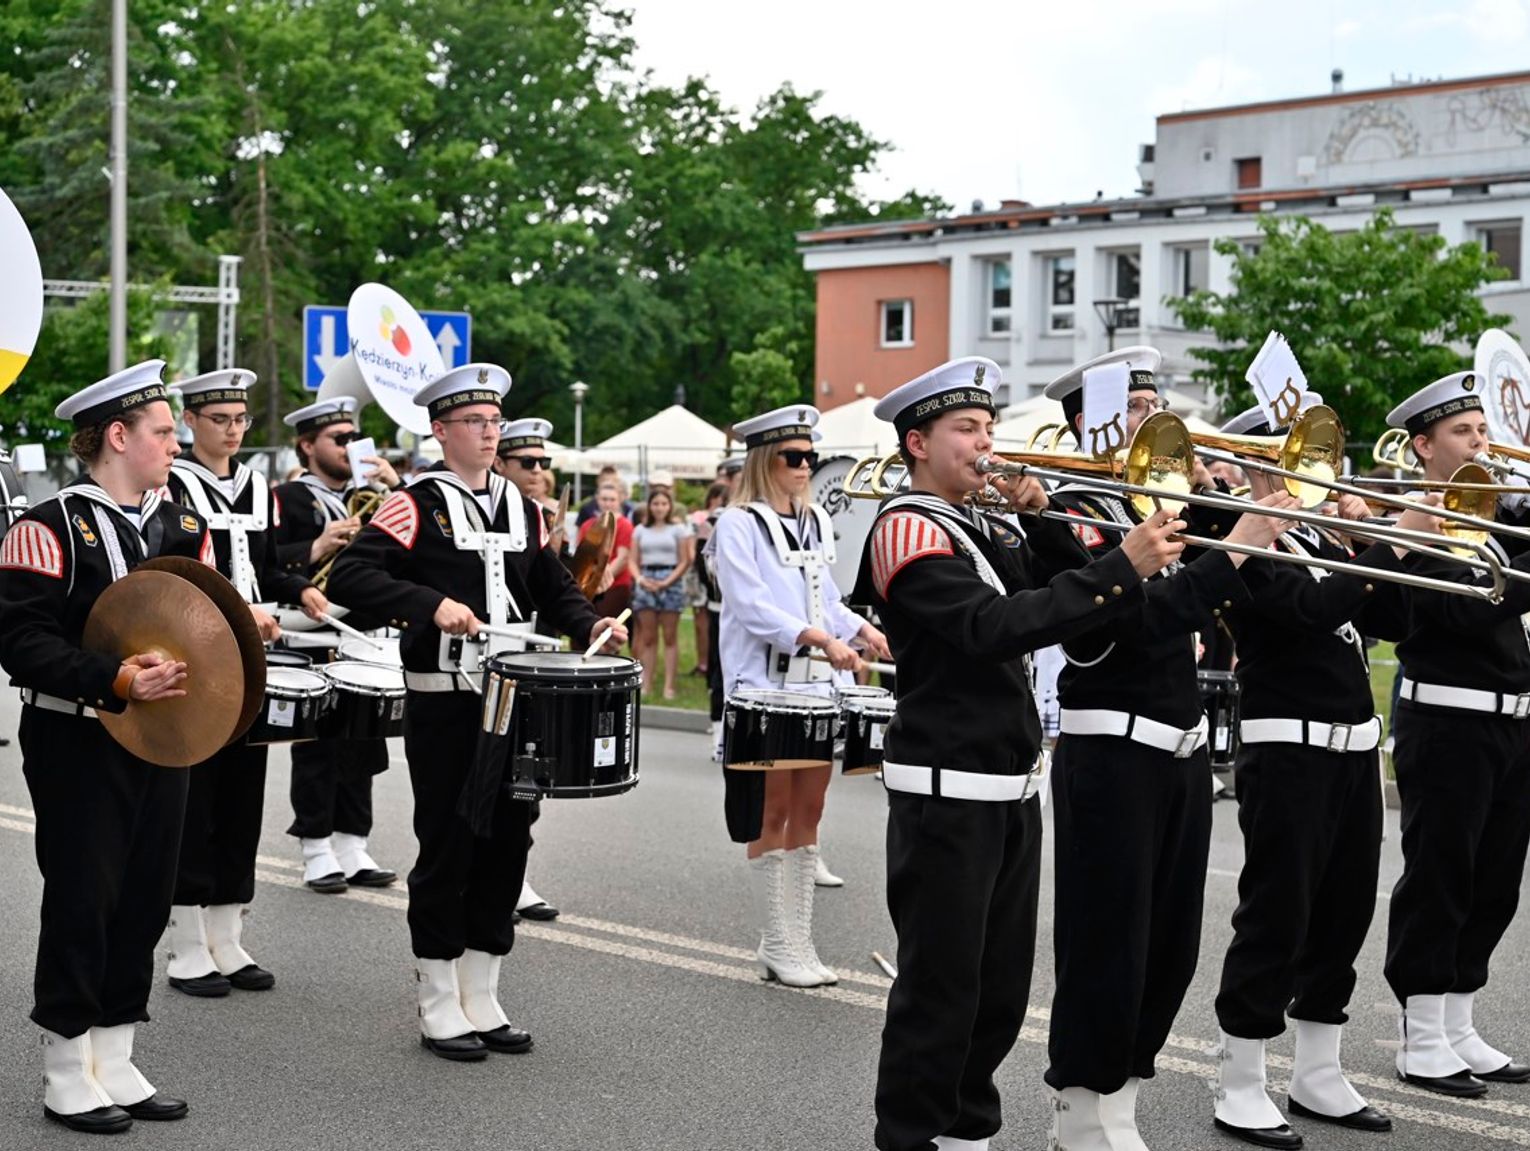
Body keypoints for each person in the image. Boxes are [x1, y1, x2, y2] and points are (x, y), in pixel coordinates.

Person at [856, 356, 1185, 1151]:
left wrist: (1042, 517)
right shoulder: (906, 527)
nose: (985, 442)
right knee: (940, 988)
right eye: (965, 429)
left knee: (998, 990)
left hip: (1006, 780)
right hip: (946, 785)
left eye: (988, 426)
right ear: (916, 442)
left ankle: (968, 1133)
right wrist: (1122, 563)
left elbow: (1073, 607)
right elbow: (993, 629)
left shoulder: (986, 522)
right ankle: (910, 1135)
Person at [327, 363, 627, 1062]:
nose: (490, 433)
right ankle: (437, 995)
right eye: (475, 422)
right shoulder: (414, 502)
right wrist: (430, 604)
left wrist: (590, 626)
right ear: (440, 431)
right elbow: (352, 575)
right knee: (450, 843)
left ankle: (482, 987)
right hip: (446, 703)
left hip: (516, 699)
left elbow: (552, 587)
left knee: (508, 841)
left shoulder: (523, 508)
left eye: (495, 421)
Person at [1041, 346, 1294, 1151]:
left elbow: (1249, 588)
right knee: (1108, 940)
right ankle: (1083, 1111)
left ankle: (1124, 1100)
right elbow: (1138, 621)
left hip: (1177, 751)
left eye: (1157, 400)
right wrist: (1244, 539)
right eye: (1135, 402)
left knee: (1169, 943)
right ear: (1091, 422)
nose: (1157, 418)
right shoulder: (1068, 511)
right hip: (1110, 751)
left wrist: (1263, 509)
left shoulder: (1171, 500)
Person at [0, 360, 213, 1132]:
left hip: (164, 738)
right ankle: (65, 1066)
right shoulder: (47, 525)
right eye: (163, 431)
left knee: (146, 897)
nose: (176, 442)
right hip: (77, 735)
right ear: (117, 435)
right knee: (83, 898)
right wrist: (115, 677)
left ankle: (116, 1055)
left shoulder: (183, 524)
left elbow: (202, 627)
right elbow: (19, 641)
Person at [1207, 401, 1418, 1146]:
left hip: (1355, 744)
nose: (1308, 469)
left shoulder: (1317, 535)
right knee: (1276, 911)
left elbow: (1391, 616)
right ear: (1257, 463)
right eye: (1287, 454)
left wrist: (1369, 537)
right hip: (1287, 746)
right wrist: (1369, 549)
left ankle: (1318, 1068)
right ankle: (1241, 1074)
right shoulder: (1245, 539)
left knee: (1343, 911)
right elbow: (1309, 609)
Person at [1380, 370, 1530, 1096]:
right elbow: (1470, 609)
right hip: (1446, 719)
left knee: (1495, 879)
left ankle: (1462, 1019)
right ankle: (1422, 1033)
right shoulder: (1414, 520)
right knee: (1441, 877)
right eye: (1465, 432)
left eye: (1481, 428)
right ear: (1423, 446)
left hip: (1511, 720)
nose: (1482, 441)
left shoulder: (1497, 507)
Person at [708, 403, 889, 990]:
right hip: (765, 686)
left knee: (811, 810)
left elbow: (826, 598)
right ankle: (779, 939)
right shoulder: (737, 524)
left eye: (810, 457)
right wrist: (815, 637)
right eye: (794, 458)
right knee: (772, 810)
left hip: (816, 687)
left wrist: (860, 630)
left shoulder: (811, 521)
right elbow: (750, 603)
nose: (805, 467)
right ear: (765, 461)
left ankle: (794, 936)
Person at [160, 370, 327, 998]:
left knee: (241, 795)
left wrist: (298, 587)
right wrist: (236, 606)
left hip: (248, 657)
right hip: (193, 654)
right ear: (191, 421)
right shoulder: (172, 482)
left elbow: (265, 568)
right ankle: (185, 944)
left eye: (240, 420)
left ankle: (228, 936)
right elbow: (173, 570)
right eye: (219, 420)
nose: (232, 431)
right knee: (194, 796)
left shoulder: (261, 487)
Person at [272, 397, 400, 894]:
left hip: (363, 633)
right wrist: (318, 547)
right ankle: (315, 847)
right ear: (308, 446)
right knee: (318, 745)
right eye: (339, 439)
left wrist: (398, 488)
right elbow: (265, 561)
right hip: (312, 633)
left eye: (354, 437)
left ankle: (353, 842)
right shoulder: (285, 498)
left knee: (364, 740)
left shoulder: (373, 496)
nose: (351, 446)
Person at [492, 416, 565, 924]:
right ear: (501, 463)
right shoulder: (499, 514)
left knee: (528, 776)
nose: (538, 471)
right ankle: (495, 880)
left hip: (536, 661)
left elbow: (558, 592)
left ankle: (516, 875)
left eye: (544, 463)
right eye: (527, 463)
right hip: (489, 664)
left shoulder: (542, 517)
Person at [630, 488, 694, 699]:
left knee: (669, 636)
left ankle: (669, 685)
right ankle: (646, 683)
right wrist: (640, 579)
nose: (659, 508)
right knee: (647, 637)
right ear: (649, 506)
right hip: (646, 578)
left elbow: (685, 560)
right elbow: (633, 560)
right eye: (655, 503)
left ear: (670, 506)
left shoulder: (678, 529)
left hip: (671, 580)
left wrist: (667, 581)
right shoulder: (640, 529)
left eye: (663, 504)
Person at [578, 482, 634, 624]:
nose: (608, 503)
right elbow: (581, 555)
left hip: (615, 585)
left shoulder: (625, 524)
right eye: (604, 499)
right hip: (588, 585)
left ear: (619, 500)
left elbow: (622, 558)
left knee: (607, 627)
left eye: (612, 499)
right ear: (597, 499)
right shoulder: (587, 524)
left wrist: (600, 580)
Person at [689, 481, 728, 679]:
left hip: (731, 606)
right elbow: (701, 560)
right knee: (717, 662)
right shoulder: (711, 523)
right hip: (716, 602)